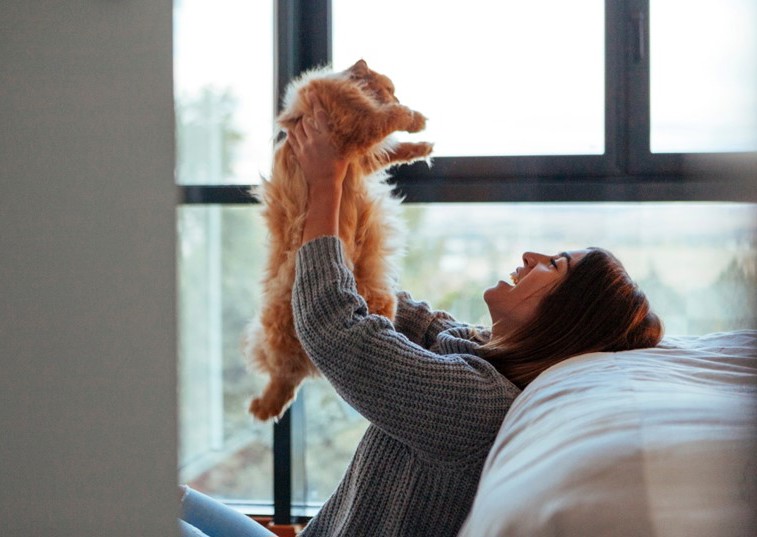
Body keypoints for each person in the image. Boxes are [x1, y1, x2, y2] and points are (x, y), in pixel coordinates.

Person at [179, 100, 663, 537]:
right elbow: (376, 301)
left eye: (554, 265)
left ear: (566, 317)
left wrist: (325, 184)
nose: (530, 255)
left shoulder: (478, 402)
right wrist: (342, 175)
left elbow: (335, 327)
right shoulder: (471, 347)